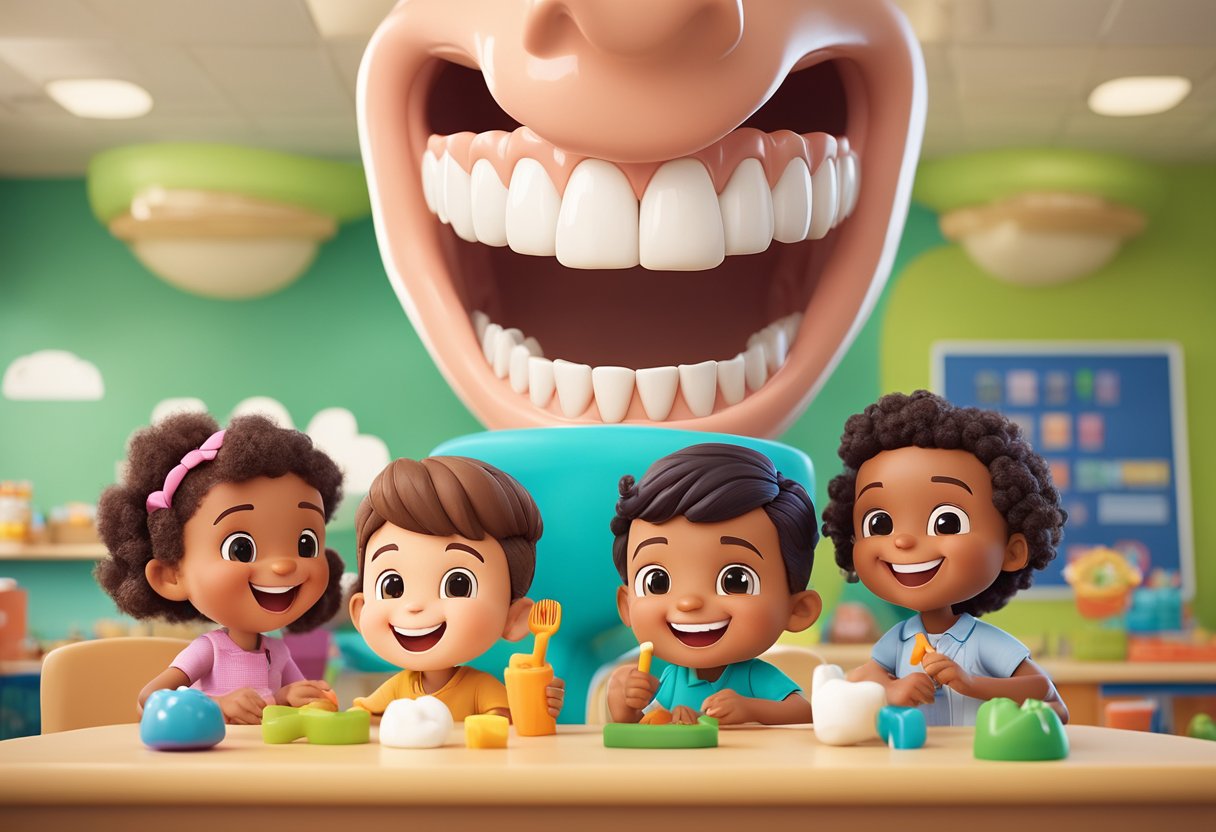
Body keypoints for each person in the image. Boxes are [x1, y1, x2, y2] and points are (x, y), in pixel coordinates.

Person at [821, 390, 1069, 726]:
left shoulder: (979, 641)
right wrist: (891, 692)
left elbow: (1041, 687)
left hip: (974, 764)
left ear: (1012, 552)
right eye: (879, 523)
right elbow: (863, 676)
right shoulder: (899, 640)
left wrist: (970, 683)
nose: (904, 540)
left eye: (947, 522)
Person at [96, 412, 345, 724]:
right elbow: (150, 700)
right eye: (241, 548)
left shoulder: (278, 653)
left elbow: (285, 700)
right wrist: (219, 705)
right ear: (171, 575)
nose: (283, 565)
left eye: (305, 545)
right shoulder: (208, 650)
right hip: (210, 762)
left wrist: (297, 697)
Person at [606, 443, 821, 725]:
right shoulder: (673, 678)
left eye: (736, 581)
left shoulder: (754, 677)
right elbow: (647, 722)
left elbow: (804, 712)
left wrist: (750, 709)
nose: (689, 602)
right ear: (627, 604)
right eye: (657, 582)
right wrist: (625, 706)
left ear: (797, 609)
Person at [348, 456, 563, 721]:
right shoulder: (398, 688)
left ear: (514, 617)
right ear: (360, 610)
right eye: (393, 587)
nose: (415, 606)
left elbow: (504, 719)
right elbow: (363, 715)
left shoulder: (479, 688)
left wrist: (537, 703)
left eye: (458, 585)